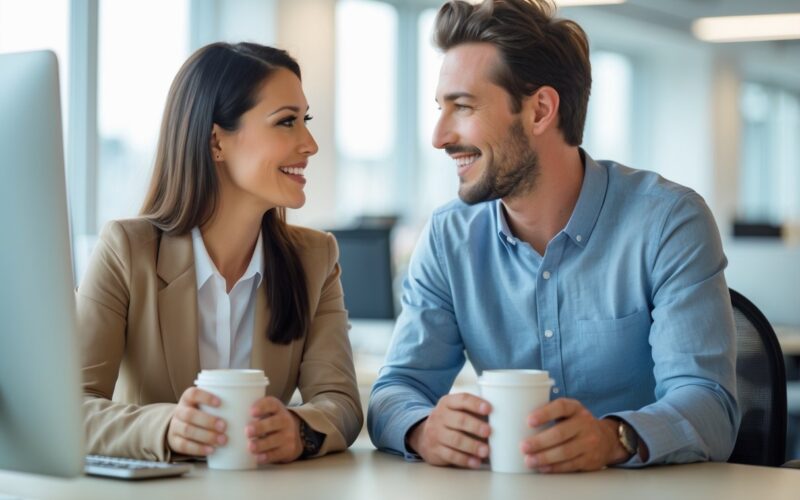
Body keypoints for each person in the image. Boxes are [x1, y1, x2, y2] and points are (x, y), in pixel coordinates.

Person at [368, 0, 739, 472]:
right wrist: (422, 428)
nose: (439, 136)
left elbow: (710, 404)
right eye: (441, 108)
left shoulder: (668, 222)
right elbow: (395, 390)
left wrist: (615, 437)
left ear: (540, 109)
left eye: (462, 106)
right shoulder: (449, 237)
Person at [78, 42, 362, 463]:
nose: (310, 144)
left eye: (306, 120)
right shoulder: (127, 251)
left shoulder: (315, 258)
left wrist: (300, 430)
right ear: (216, 141)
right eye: (287, 122)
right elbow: (67, 406)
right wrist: (166, 427)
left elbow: (340, 403)